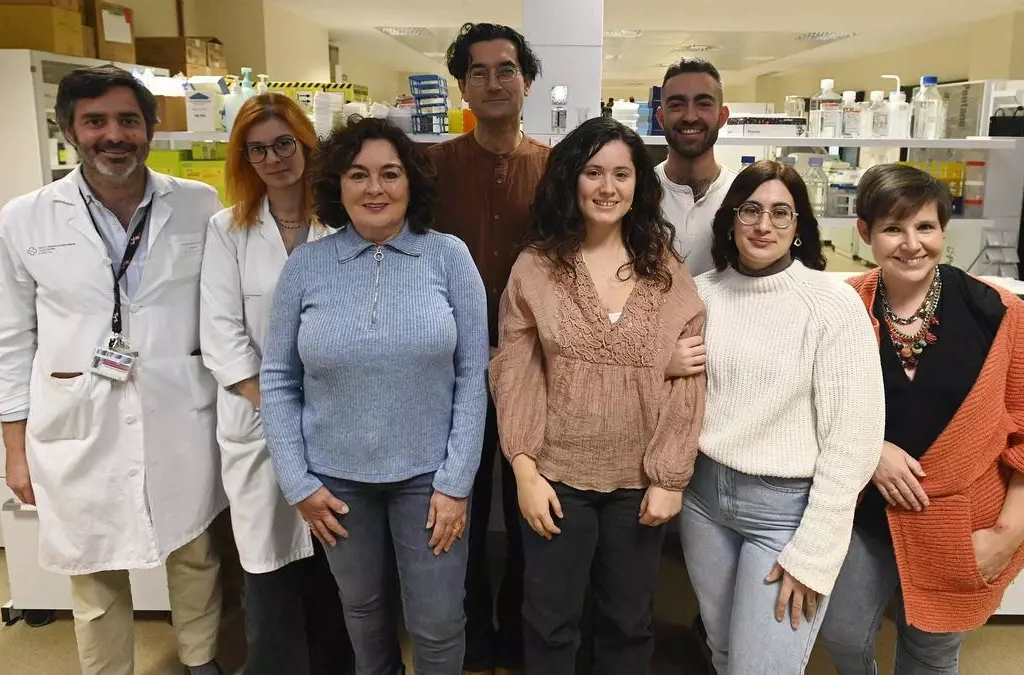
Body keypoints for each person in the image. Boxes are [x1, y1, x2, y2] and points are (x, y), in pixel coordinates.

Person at [0, 65, 224, 675]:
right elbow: (6, 337)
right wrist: (14, 449)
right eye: (95, 122)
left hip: (179, 411)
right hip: (79, 416)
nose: (113, 135)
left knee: (195, 554)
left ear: (150, 128)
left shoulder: (197, 204)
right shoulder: (25, 218)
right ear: (69, 131)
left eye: (128, 120)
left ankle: (201, 661)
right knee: (93, 569)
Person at [818, 164, 1024, 675]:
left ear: (943, 229)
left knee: (932, 650)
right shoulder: (844, 306)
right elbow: (811, 409)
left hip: (958, 523)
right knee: (842, 633)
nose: (911, 244)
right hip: (861, 517)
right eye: (893, 228)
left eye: (925, 227)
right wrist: (871, 450)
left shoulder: (996, 312)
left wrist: (1005, 536)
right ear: (865, 232)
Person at [260, 117, 489, 675]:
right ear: (338, 185)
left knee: (438, 623)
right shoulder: (306, 265)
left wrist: (456, 482)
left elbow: (473, 374)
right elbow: (278, 377)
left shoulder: (449, 257)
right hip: (335, 484)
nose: (374, 188)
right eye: (358, 175)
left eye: (390, 173)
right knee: (363, 615)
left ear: (411, 183)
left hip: (430, 479)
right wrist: (297, 482)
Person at [490, 117, 707, 675]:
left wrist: (669, 477)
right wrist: (525, 472)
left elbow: (689, 380)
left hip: (638, 484)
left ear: (638, 184)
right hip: (557, 478)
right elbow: (515, 375)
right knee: (550, 623)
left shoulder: (664, 270)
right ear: (571, 179)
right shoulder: (537, 268)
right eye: (593, 172)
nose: (607, 187)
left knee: (628, 624)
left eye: (621, 174)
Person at [682, 160, 885, 674]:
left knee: (761, 668)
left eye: (780, 213)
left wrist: (814, 553)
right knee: (723, 652)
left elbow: (854, 440)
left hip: (785, 514)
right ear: (731, 219)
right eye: (750, 210)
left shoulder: (832, 304)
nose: (763, 224)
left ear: (798, 227)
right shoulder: (702, 294)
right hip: (703, 500)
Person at [199, 93, 353, 675]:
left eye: (284, 143)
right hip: (257, 420)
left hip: (336, 419)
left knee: (336, 564)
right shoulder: (227, 230)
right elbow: (221, 334)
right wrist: (278, 408)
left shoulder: (343, 222)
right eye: (257, 149)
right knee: (268, 567)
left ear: (307, 143)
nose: (273, 158)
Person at [428, 21, 550, 675]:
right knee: (460, 504)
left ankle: (522, 634)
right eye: (478, 71)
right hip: (453, 370)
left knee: (532, 508)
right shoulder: (432, 168)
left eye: (506, 69)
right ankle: (471, 634)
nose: (493, 82)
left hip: (538, 368)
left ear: (527, 81)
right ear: (463, 87)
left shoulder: (556, 169)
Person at [657, 59, 738, 383]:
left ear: (722, 115)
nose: (690, 116)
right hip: (657, 366)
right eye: (677, 104)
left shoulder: (746, 197)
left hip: (729, 367)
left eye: (703, 103)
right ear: (660, 117)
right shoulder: (635, 195)